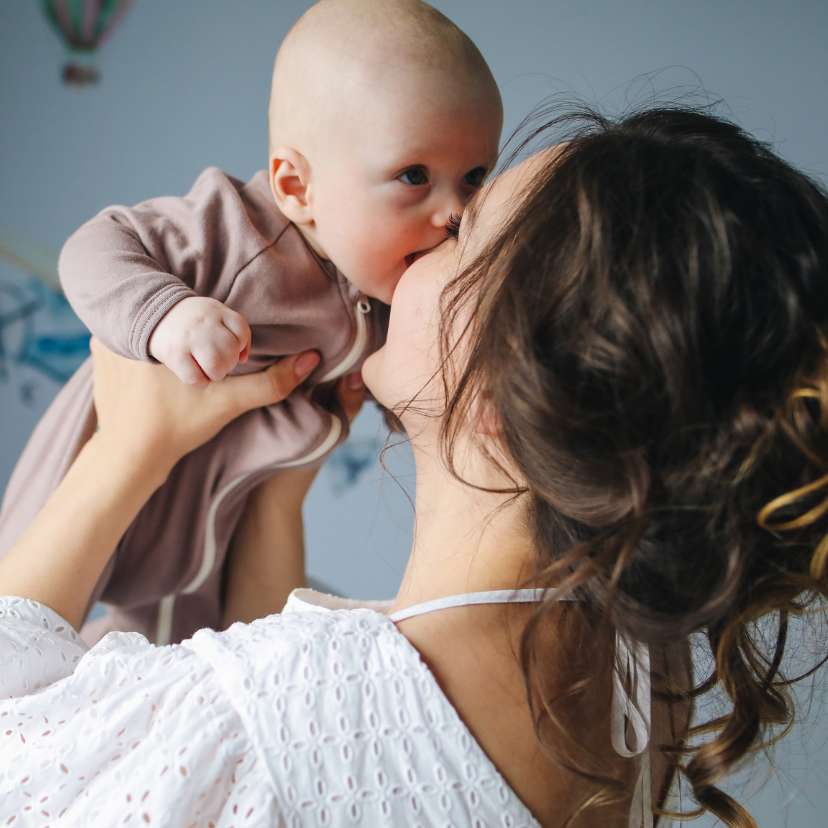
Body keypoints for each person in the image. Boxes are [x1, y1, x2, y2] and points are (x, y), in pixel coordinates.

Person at [1, 103, 827, 827]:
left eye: (462, 229)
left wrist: (126, 451)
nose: (415, 245)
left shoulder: (274, 715)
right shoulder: (635, 687)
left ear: (505, 394)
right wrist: (281, 493)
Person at [0, 0, 502, 647]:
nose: (454, 211)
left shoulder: (383, 291)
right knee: (26, 638)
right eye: (415, 176)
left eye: (474, 177)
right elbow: (95, 247)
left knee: (184, 661)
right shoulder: (234, 230)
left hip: (212, 530)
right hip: (100, 476)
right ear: (296, 187)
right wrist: (167, 316)